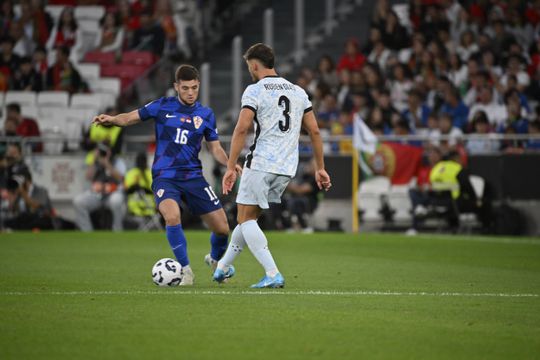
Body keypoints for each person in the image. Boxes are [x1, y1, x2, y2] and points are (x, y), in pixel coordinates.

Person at [91, 64, 241, 286]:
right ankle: (186, 271)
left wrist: (230, 163)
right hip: (165, 176)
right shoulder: (162, 106)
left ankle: (215, 260)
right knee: (172, 217)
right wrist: (112, 119)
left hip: (193, 177)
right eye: (186, 88)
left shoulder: (205, 114)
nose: (190, 92)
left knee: (222, 228)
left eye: (194, 88)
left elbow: (215, 148)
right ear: (176, 87)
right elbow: (131, 118)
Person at [216, 43, 332, 288]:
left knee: (245, 219)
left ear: (254, 65)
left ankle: (272, 273)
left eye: (249, 66)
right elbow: (314, 131)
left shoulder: (254, 90)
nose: (249, 70)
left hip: (260, 163)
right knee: (248, 218)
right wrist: (320, 167)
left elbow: (242, 128)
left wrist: (230, 165)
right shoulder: (298, 92)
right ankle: (222, 267)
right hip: (286, 167)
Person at [73, 142, 127, 232]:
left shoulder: (117, 161)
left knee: (116, 201)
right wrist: (94, 160)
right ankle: (87, 232)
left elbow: (120, 178)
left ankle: (117, 230)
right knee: (78, 201)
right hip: (97, 195)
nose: (103, 153)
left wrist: (107, 163)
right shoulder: (96, 162)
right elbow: (88, 176)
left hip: (112, 193)